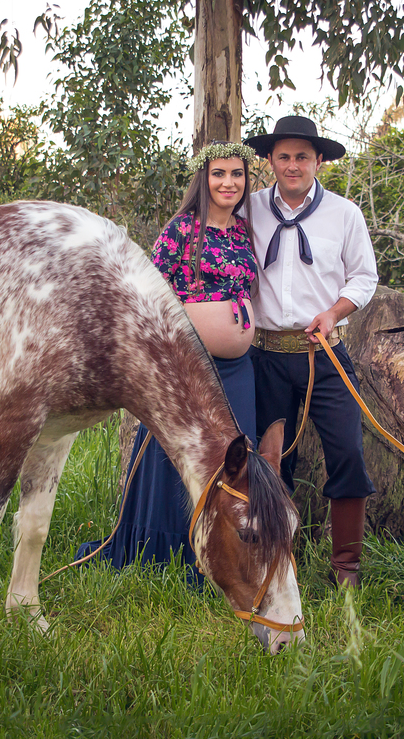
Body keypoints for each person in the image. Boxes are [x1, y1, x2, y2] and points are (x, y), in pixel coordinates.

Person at [75, 141, 260, 577]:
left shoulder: (243, 231)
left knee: (232, 461)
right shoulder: (182, 230)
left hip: (237, 371)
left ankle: (223, 552)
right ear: (204, 178)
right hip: (186, 372)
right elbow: (148, 294)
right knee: (174, 457)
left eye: (237, 174)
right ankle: (163, 551)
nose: (228, 182)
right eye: (219, 174)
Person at [243, 115, 379, 588]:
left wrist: (333, 311)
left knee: (347, 452)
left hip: (324, 354)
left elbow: (364, 277)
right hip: (264, 358)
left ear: (319, 160)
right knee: (270, 462)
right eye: (284, 156)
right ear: (270, 161)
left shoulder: (345, 215)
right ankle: (279, 561)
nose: (293, 165)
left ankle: (347, 568)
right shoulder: (249, 208)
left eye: (303, 156)